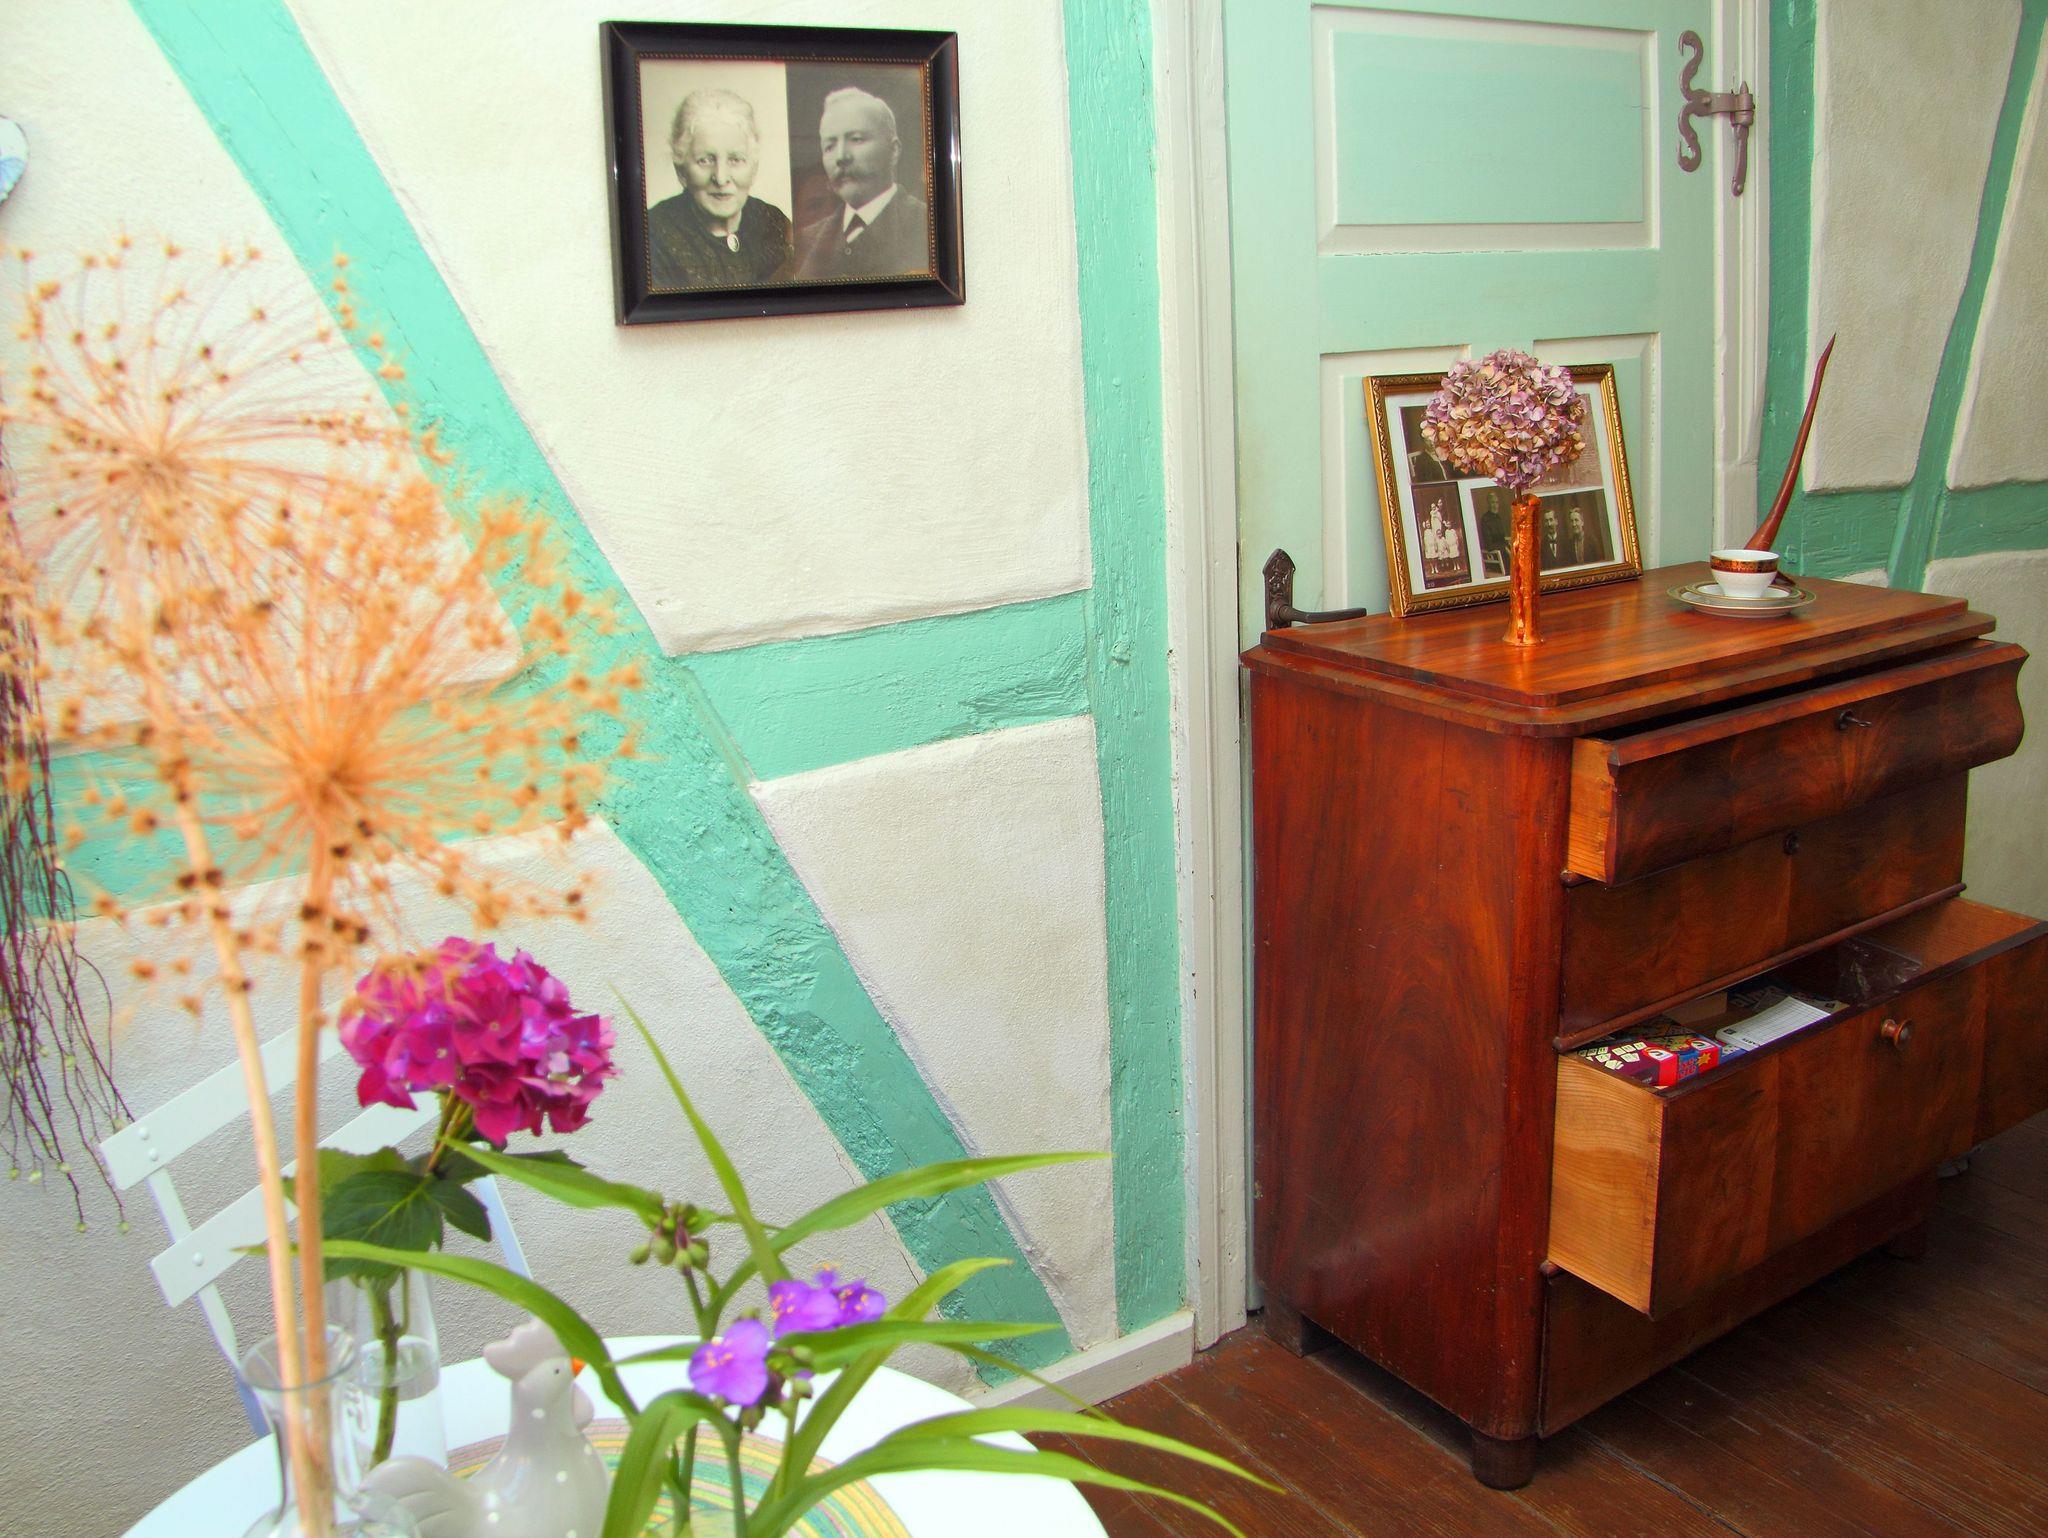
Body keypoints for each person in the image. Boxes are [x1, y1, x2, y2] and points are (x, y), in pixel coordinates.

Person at [647, 88, 792, 291]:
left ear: (753, 167)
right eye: (705, 160)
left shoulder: (775, 223)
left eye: (735, 159)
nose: (721, 178)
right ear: (681, 170)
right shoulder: (653, 235)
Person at [788, 87, 932, 280]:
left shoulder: (926, 226)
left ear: (894, 150)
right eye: (829, 146)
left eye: (856, 139)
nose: (841, 157)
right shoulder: (807, 240)